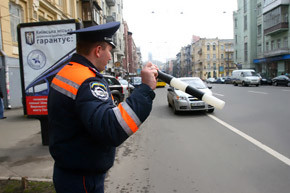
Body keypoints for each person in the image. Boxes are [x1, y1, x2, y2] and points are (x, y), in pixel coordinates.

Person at [48, 21, 158, 193]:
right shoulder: (87, 81)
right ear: (98, 50)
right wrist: (144, 89)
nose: (109, 57)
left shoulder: (67, 72)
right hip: (83, 179)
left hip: (67, 170)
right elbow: (111, 127)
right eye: (109, 51)